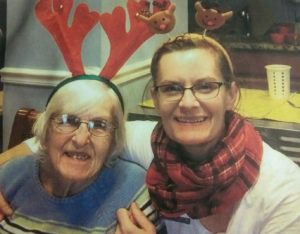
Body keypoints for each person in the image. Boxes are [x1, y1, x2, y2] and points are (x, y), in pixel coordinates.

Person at [1, 33, 300, 233]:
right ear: (155, 99)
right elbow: (55, 140)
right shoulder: (152, 145)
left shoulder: (284, 192)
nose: (187, 102)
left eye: (206, 86)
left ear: (231, 95)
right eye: (171, 88)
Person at [0, 74, 157, 233]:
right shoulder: (11, 174)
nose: (81, 140)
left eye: (99, 125)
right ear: (46, 130)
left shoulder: (134, 193)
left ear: (114, 141)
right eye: (68, 120)